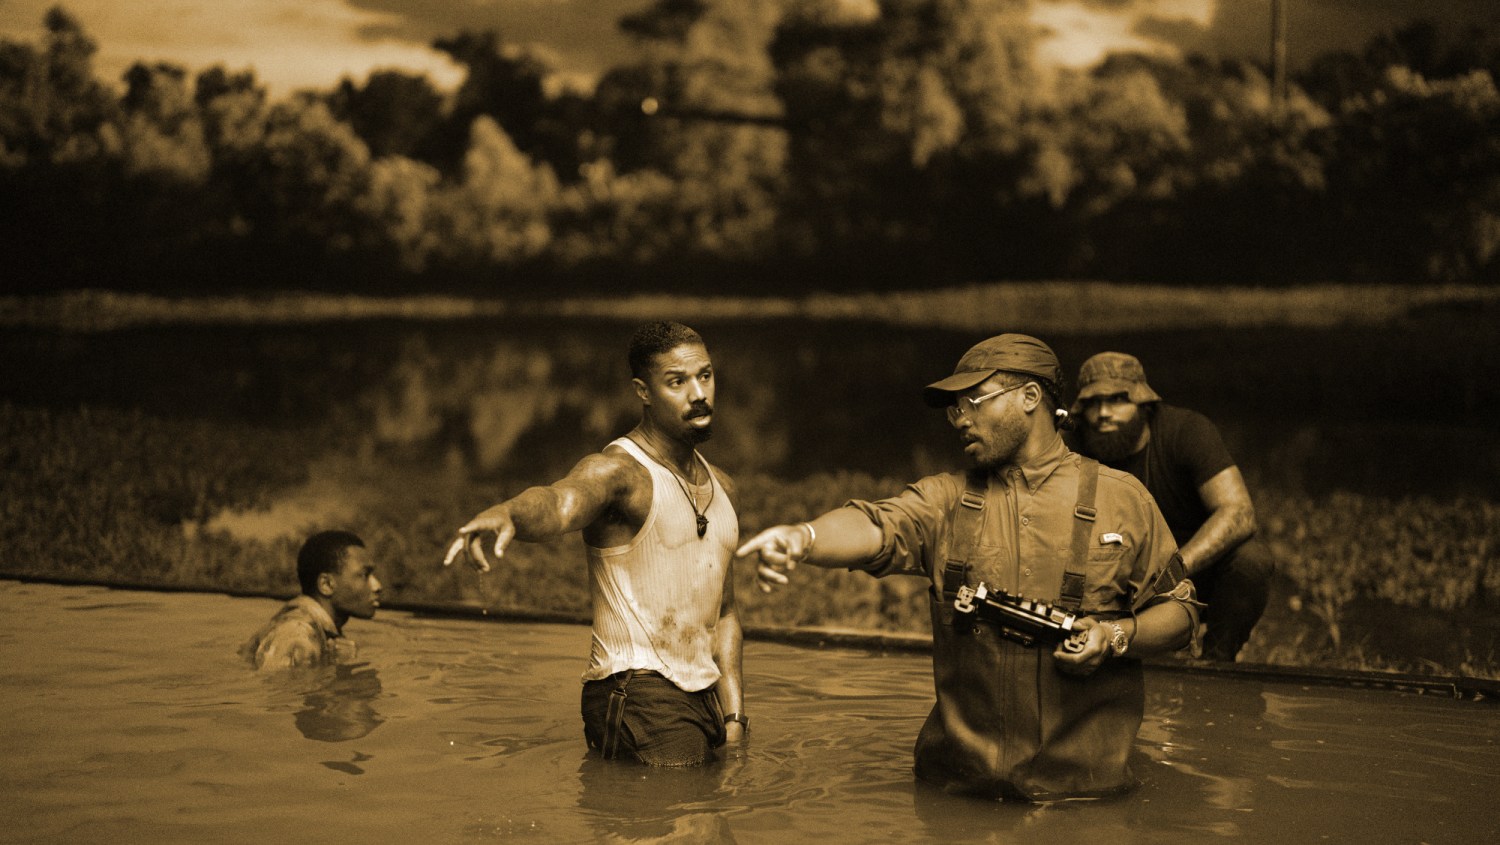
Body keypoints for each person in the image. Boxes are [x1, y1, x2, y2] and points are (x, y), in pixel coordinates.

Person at [738, 333, 1200, 802]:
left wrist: (1115, 636)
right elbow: (876, 525)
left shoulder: (1122, 499)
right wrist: (804, 537)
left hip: (1084, 796)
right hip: (953, 792)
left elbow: (1181, 615)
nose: (959, 419)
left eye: (973, 401)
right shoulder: (946, 499)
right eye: (953, 408)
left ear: (1030, 397)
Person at [443, 320, 745, 767]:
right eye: (676, 382)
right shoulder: (619, 472)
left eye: (705, 375)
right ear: (643, 391)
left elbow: (725, 614)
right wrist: (509, 513)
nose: (698, 393)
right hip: (637, 691)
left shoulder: (723, 487)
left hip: (704, 699)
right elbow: (561, 502)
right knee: (684, 818)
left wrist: (735, 716)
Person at [1068, 351, 1274, 662]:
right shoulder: (1071, 443)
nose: (1103, 413)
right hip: (1109, 575)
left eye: (1117, 400)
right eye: (1093, 403)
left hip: (1189, 572)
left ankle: (1216, 664)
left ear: (1144, 404)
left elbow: (1238, 512)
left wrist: (1175, 569)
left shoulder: (1185, 430)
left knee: (1251, 561)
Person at [241, 529, 382, 670]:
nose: (377, 586)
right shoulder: (298, 634)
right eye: (364, 575)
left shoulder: (319, 630)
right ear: (326, 584)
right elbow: (280, 689)